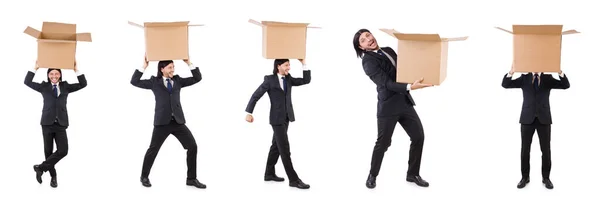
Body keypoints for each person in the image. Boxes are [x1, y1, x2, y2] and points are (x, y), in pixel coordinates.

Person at [352, 29, 434, 189]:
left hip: (404, 102)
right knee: (383, 143)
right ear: (361, 47)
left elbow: (403, 70)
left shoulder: (388, 50)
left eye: (368, 35)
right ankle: (372, 175)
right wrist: (411, 86)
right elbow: (386, 83)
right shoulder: (368, 62)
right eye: (363, 40)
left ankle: (413, 174)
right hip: (388, 107)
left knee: (418, 136)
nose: (368, 39)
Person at [130, 56, 205, 189]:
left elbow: (197, 78)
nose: (172, 70)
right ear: (162, 69)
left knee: (192, 146)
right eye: (170, 67)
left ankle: (191, 179)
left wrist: (189, 63)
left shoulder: (177, 80)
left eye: (173, 67)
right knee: (153, 150)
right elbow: (134, 81)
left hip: (177, 121)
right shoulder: (154, 82)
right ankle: (144, 176)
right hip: (162, 123)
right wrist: (144, 67)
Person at [245, 58, 311, 189]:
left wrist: (303, 63)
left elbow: (306, 80)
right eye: (286, 65)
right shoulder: (269, 80)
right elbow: (255, 95)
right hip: (276, 119)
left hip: (286, 118)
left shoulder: (288, 79)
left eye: (289, 65)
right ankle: (293, 180)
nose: (289, 68)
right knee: (284, 149)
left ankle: (269, 173)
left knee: (276, 146)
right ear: (278, 66)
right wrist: (249, 112)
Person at [501, 64, 570, 189]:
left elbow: (566, 85)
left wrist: (559, 71)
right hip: (527, 119)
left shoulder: (548, 79)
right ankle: (525, 177)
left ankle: (546, 178)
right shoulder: (524, 78)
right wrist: (511, 72)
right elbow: (505, 85)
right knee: (525, 150)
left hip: (544, 119)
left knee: (546, 150)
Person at [24, 60, 87, 188]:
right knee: (48, 152)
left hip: (60, 124)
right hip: (46, 123)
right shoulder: (43, 86)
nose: (54, 76)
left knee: (63, 150)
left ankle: (40, 168)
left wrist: (76, 70)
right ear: (48, 75)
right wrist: (35, 68)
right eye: (51, 74)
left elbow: (83, 84)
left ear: (60, 75)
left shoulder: (65, 86)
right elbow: (27, 82)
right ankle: (53, 177)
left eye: (56, 74)